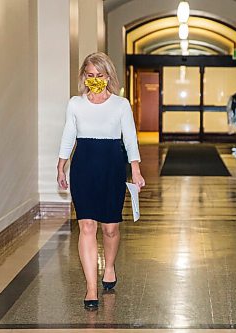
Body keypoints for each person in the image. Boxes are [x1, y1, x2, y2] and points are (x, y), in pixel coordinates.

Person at [57, 52, 145, 310]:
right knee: (86, 225)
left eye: (100, 75)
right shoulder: (75, 103)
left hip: (112, 167)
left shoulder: (121, 105)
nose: (94, 80)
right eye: (90, 75)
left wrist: (136, 170)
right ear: (84, 76)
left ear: (108, 76)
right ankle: (91, 287)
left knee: (110, 228)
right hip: (84, 165)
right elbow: (68, 135)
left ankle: (109, 268)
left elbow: (130, 139)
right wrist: (61, 165)